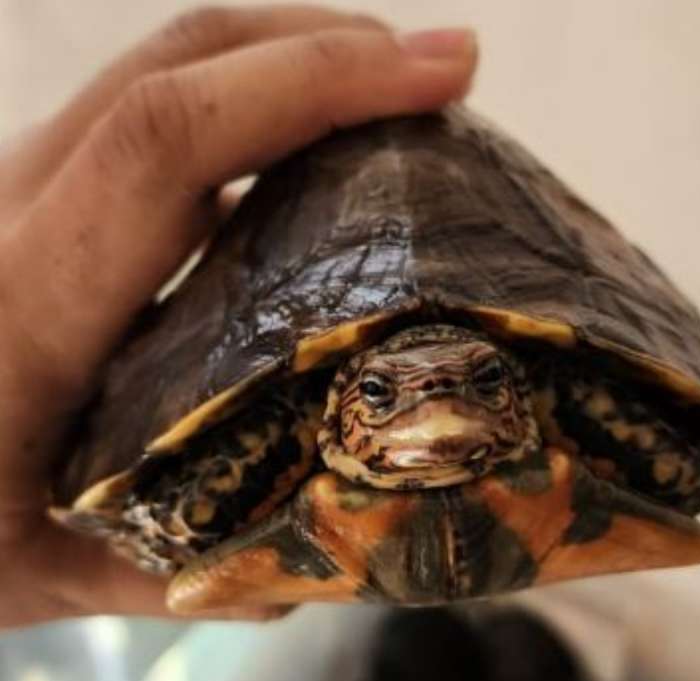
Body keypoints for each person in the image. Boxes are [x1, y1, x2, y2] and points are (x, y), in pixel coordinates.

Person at [0, 5, 478, 628]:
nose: (438, 396)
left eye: (488, 380)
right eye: (381, 392)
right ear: (344, 405)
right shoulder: (297, 414)